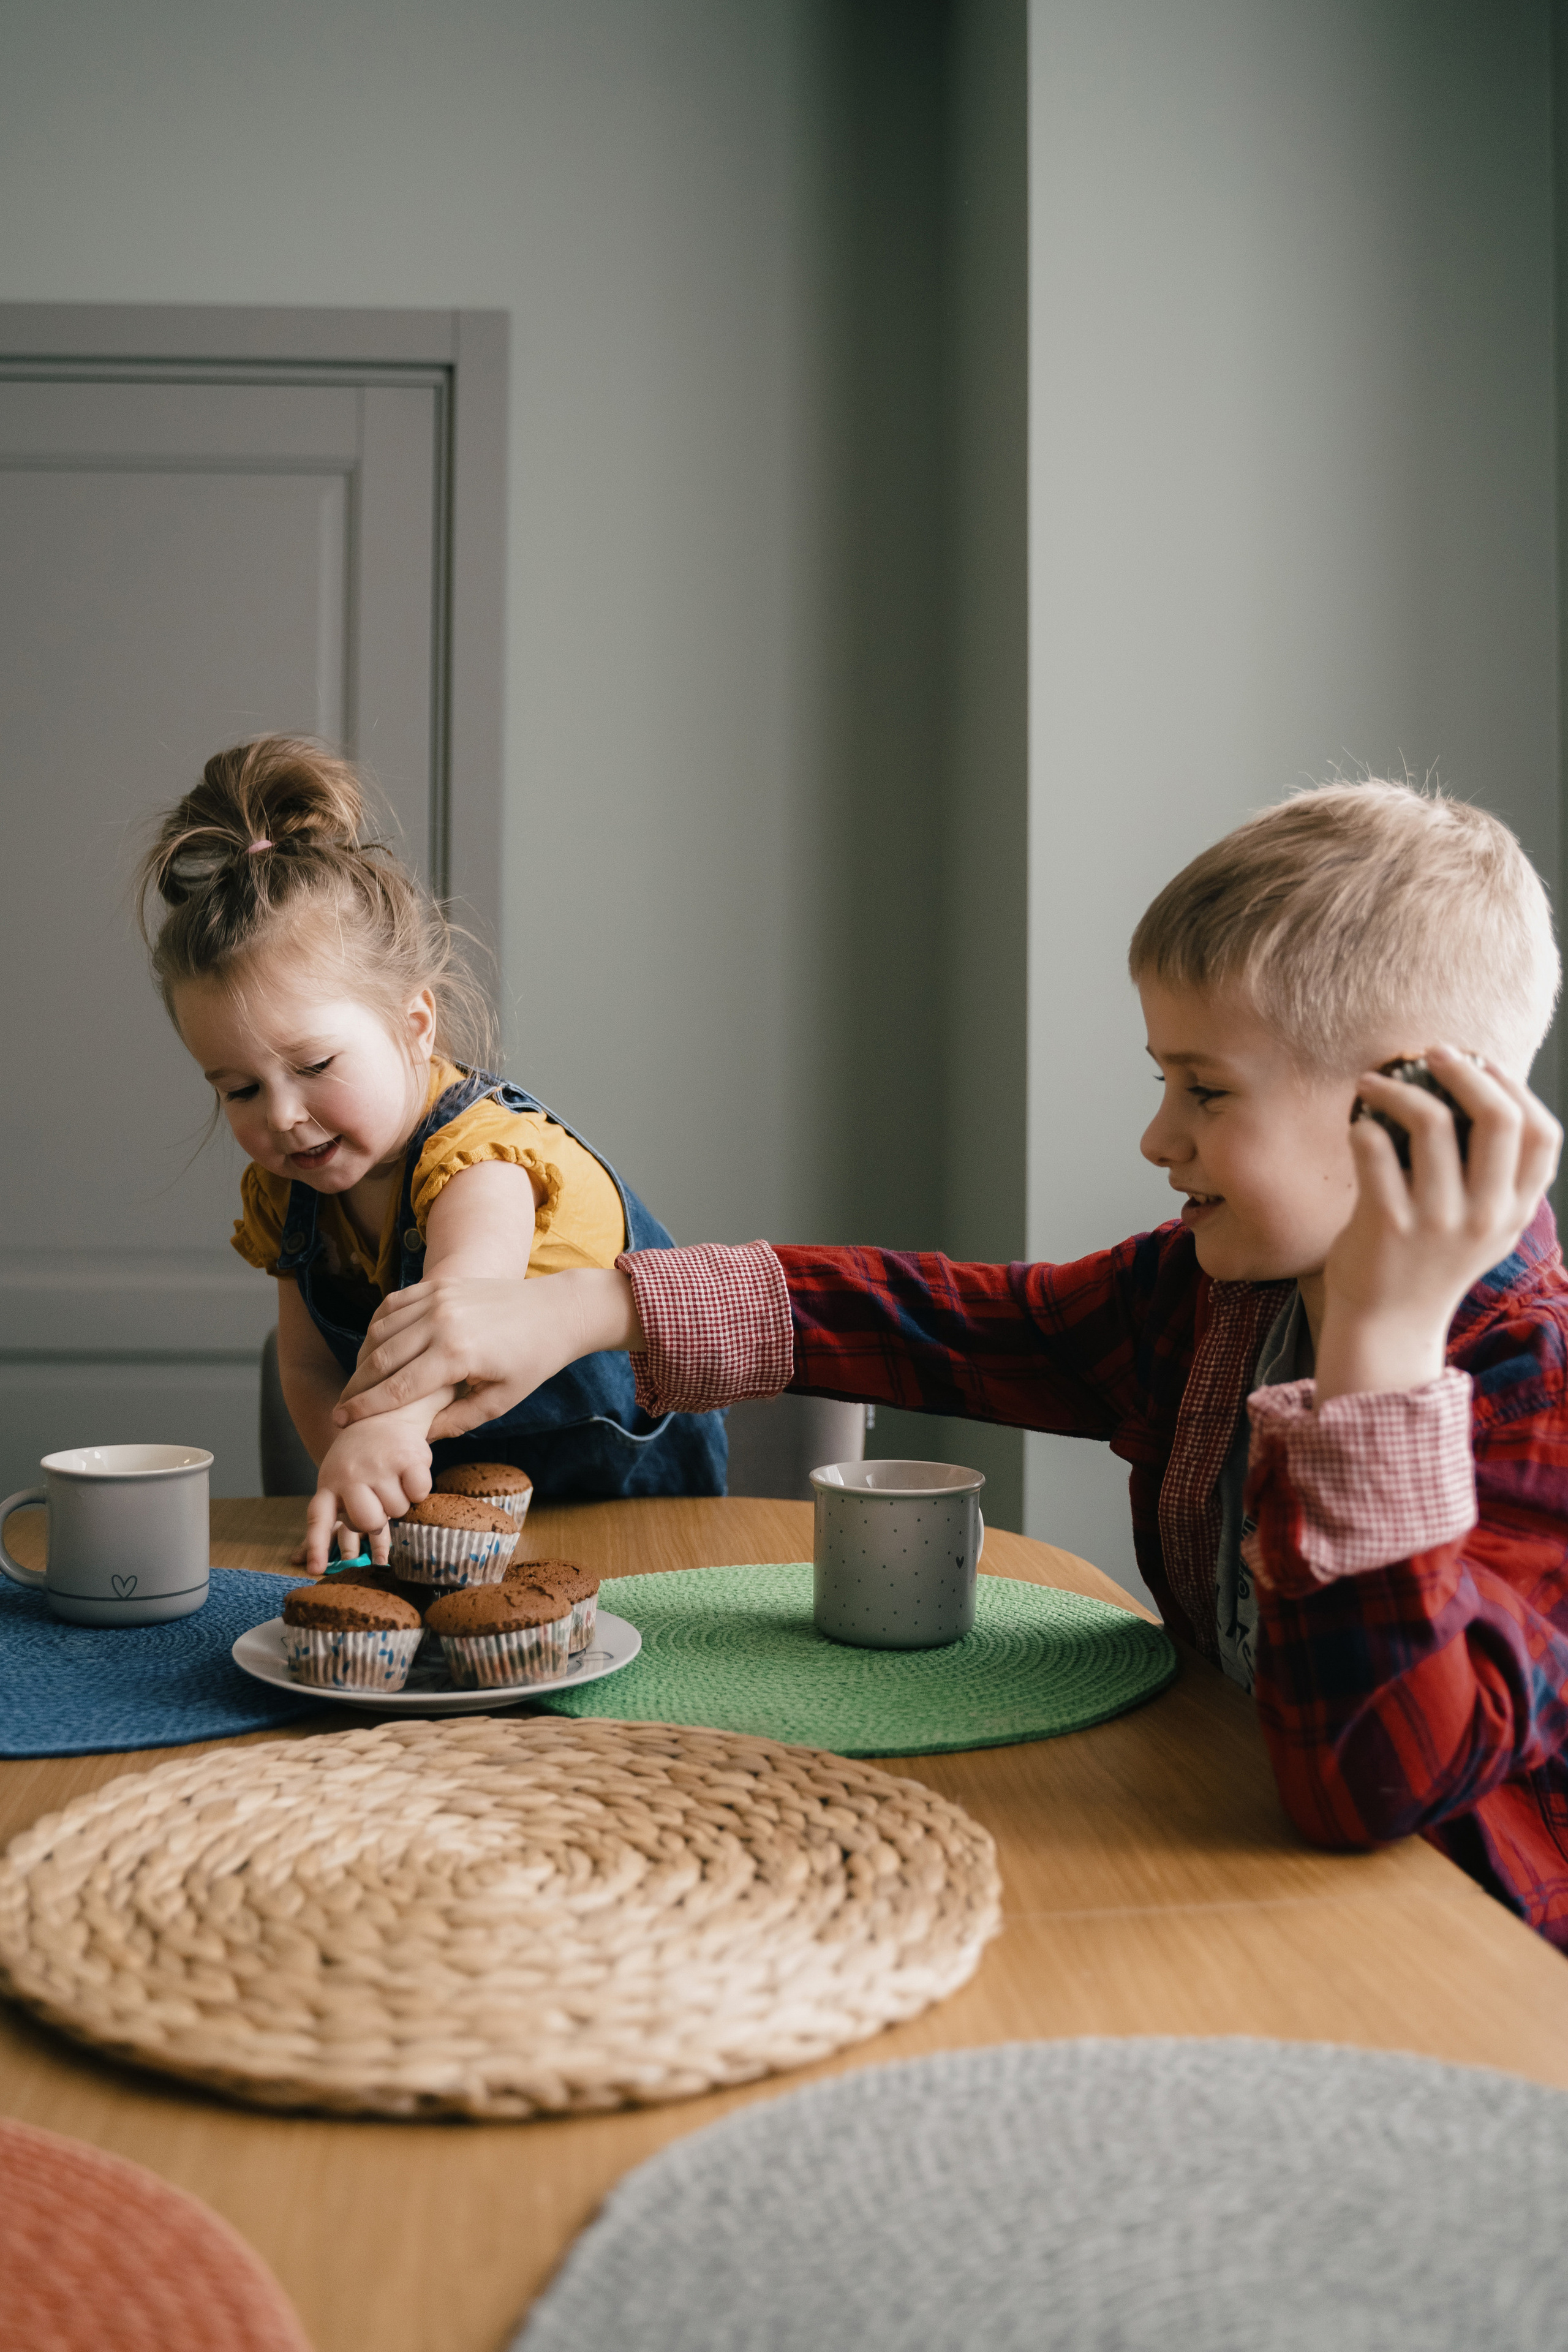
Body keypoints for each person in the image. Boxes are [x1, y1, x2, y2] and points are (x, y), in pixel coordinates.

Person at [333, 780, 1568, 1946]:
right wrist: (594, 1308)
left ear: (1406, 1114)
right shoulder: (1205, 1299)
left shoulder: (1536, 1388)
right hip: (1225, 1865)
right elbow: (954, 1323)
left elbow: (1373, 1784)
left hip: (1443, 1951)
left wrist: (1377, 1361)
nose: (1156, 1135)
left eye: (1204, 1090)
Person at [136, 734, 725, 1576]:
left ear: (414, 1026)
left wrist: (388, 1426)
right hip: (451, 1527)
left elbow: (460, 1321)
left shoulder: (485, 1163)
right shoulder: (290, 1197)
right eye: (239, 1090)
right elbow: (307, 1368)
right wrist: (358, 1473)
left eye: (314, 1066)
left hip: (628, 1517)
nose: (285, 1116)